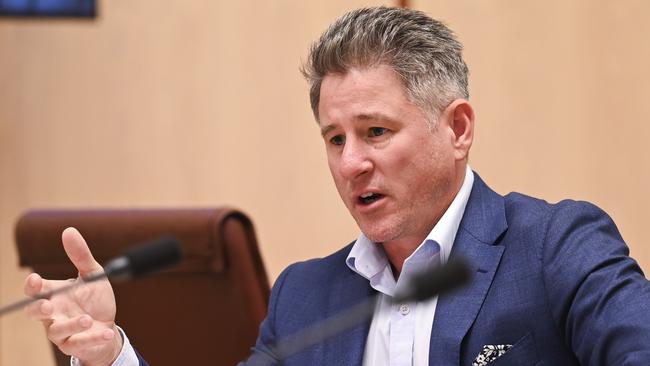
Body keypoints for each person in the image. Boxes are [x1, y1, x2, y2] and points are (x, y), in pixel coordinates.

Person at [25, 6, 650, 366]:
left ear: (457, 128)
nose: (351, 164)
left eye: (375, 131)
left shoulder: (556, 246)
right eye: (334, 139)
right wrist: (110, 356)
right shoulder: (306, 296)